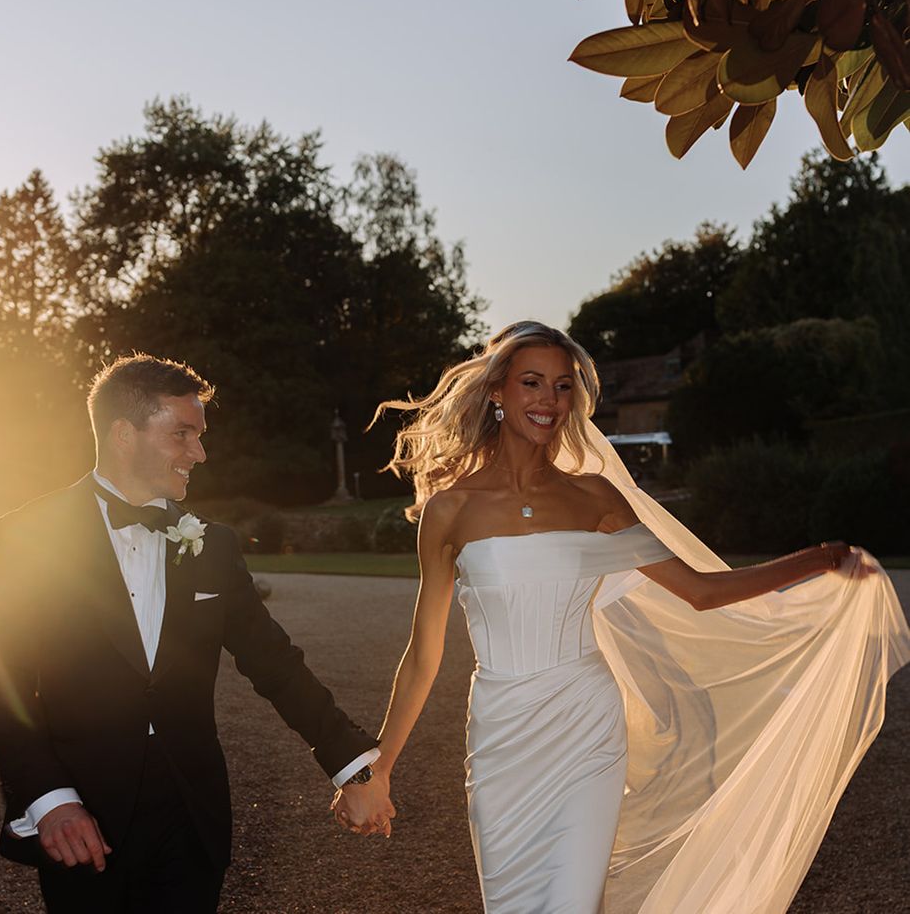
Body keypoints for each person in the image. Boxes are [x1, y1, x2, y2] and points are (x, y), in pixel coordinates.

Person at [343, 321, 910, 913]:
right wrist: (379, 769)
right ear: (496, 392)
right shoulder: (449, 510)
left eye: (563, 387)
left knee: (571, 902)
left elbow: (700, 591)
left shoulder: (595, 497)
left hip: (586, 723)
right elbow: (424, 654)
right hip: (500, 732)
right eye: (532, 382)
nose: (549, 401)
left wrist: (817, 559)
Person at [0, 354, 394, 914]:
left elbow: (276, 663)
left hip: (192, 818)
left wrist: (354, 768)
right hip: (82, 821)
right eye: (182, 435)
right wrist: (50, 801)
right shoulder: (31, 535)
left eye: (198, 436)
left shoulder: (210, 545)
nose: (200, 453)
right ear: (124, 434)